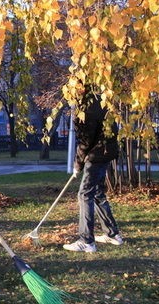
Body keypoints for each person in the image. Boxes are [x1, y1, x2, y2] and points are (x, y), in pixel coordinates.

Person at [63, 85, 122, 253]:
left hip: (96, 156)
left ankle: (86, 241)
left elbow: (85, 142)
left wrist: (77, 165)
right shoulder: (99, 100)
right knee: (97, 193)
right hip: (105, 153)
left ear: (80, 90)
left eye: (72, 91)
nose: (70, 95)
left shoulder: (86, 110)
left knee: (85, 194)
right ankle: (112, 235)